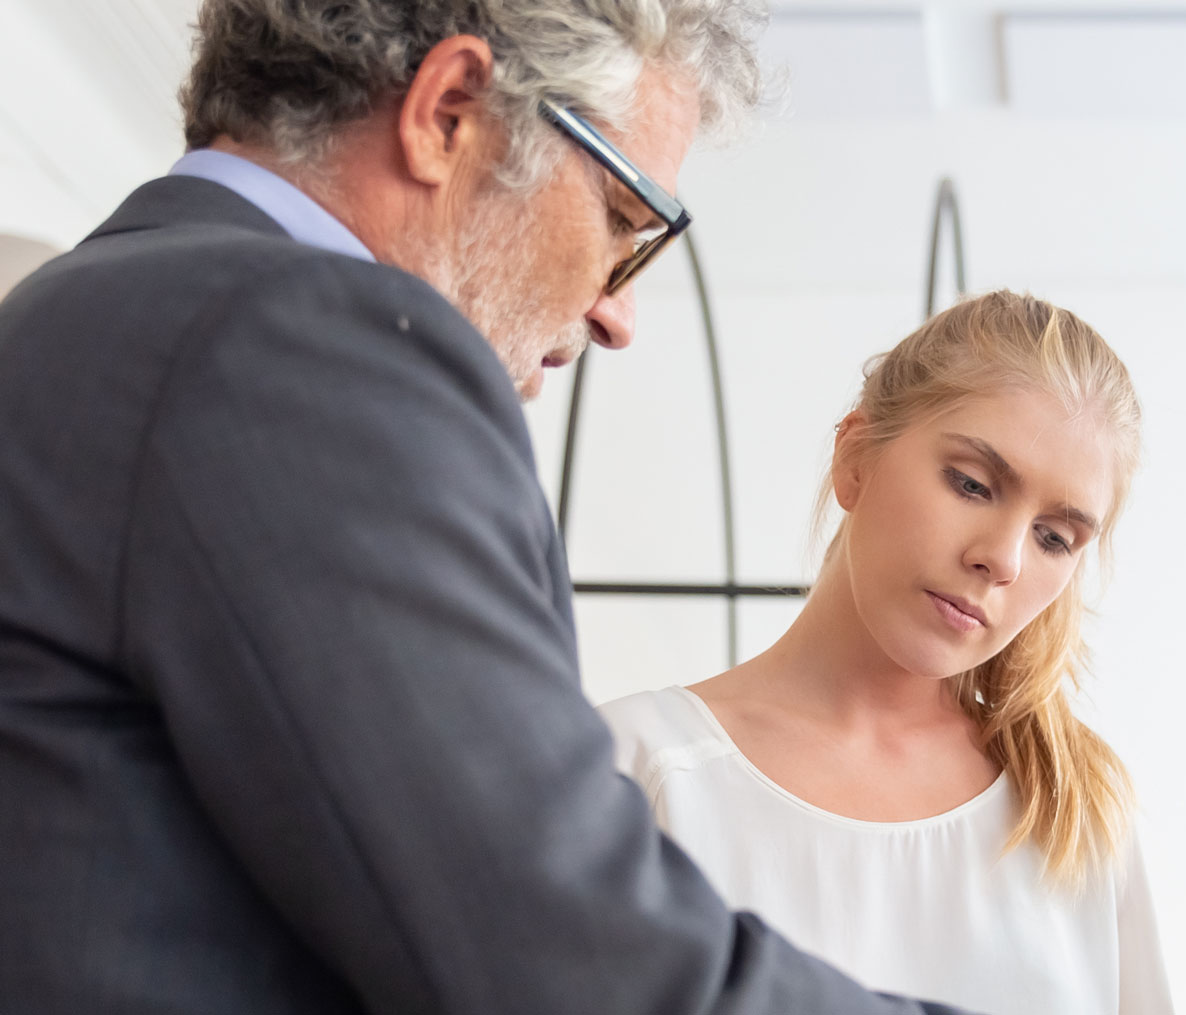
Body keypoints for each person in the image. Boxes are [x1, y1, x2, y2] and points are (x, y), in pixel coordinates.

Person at [0, 2, 977, 1012]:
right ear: (450, 111)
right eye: (623, 221)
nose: (618, 312)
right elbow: (560, 954)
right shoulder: (294, 340)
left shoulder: (92, 311)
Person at [599, 291, 1175, 1015]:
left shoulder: (1076, 811)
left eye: (1054, 537)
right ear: (854, 459)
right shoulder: (636, 770)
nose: (1001, 559)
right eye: (972, 484)